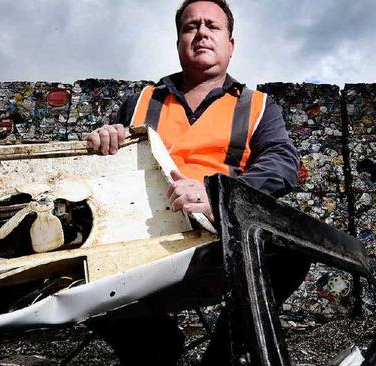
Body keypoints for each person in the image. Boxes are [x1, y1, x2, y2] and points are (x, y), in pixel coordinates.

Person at [85, 1, 309, 364]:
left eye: (212, 26)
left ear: (230, 44)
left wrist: (216, 195)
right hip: (134, 241)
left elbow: (282, 163)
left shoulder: (259, 106)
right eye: (191, 27)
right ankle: (153, 343)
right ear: (178, 42)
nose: (201, 32)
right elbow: (103, 170)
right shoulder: (140, 101)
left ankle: (222, 357)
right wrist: (102, 141)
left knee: (291, 250)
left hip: (215, 242)